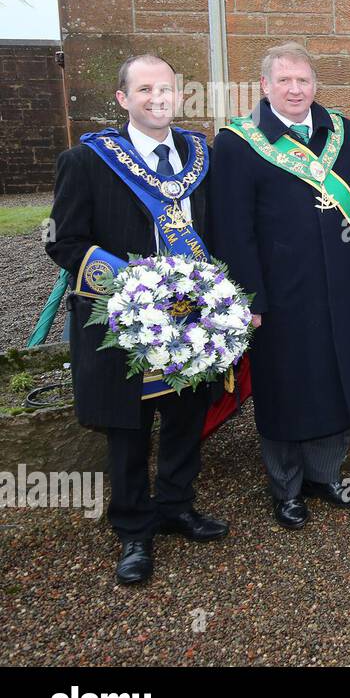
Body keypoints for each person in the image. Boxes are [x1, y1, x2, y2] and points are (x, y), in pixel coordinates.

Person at [46, 54, 228, 585]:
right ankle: (132, 529)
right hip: (121, 318)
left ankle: (175, 505)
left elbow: (216, 229)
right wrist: (133, 288)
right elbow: (64, 241)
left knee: (184, 414)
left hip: (194, 318)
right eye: (144, 89)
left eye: (166, 89)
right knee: (128, 427)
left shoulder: (201, 155)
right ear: (123, 99)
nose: (158, 98)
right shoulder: (87, 161)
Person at [209, 43, 350, 529]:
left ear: (315, 85)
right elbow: (232, 228)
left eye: (304, 81)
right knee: (286, 386)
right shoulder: (236, 142)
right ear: (264, 86)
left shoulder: (340, 131)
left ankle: (325, 475)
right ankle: (285, 487)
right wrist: (248, 297)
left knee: (336, 377)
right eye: (284, 81)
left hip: (339, 283)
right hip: (280, 292)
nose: (295, 90)